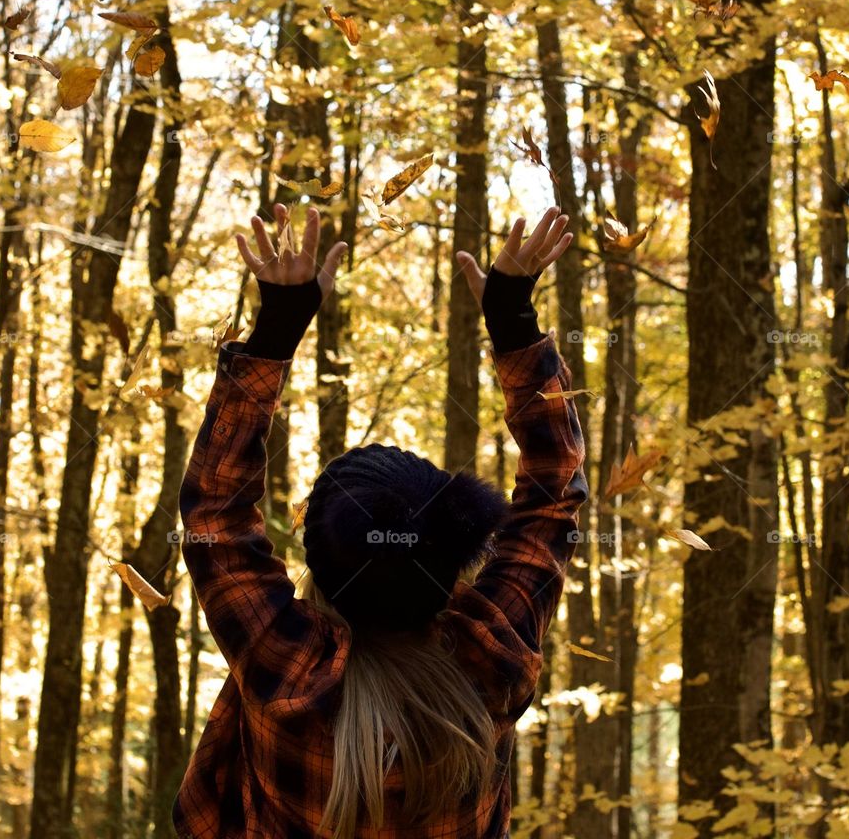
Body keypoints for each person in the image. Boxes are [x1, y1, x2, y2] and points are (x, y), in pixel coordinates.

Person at [173, 201, 589, 839]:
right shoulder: (487, 662)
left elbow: (214, 513)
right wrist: (513, 319)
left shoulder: (285, 668)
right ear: (450, 559)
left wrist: (276, 330)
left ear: (321, 566)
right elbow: (555, 493)